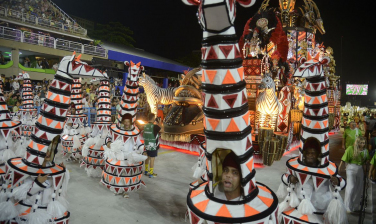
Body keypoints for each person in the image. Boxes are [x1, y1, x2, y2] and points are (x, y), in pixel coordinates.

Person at [339, 136, 369, 213]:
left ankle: (355, 206)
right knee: (351, 186)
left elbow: (366, 162)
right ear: (358, 142)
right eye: (361, 143)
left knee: (359, 187)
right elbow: (343, 159)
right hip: (351, 168)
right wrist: (339, 168)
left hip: (360, 169)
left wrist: (366, 171)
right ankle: (347, 206)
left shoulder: (365, 151)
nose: (363, 144)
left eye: (364, 143)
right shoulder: (350, 149)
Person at [143, 113, 161, 178]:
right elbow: (162, 130)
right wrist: (160, 122)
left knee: (147, 157)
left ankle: (146, 171)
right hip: (153, 145)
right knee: (152, 159)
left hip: (146, 144)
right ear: (153, 118)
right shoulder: (155, 126)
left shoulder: (145, 126)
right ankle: (151, 173)